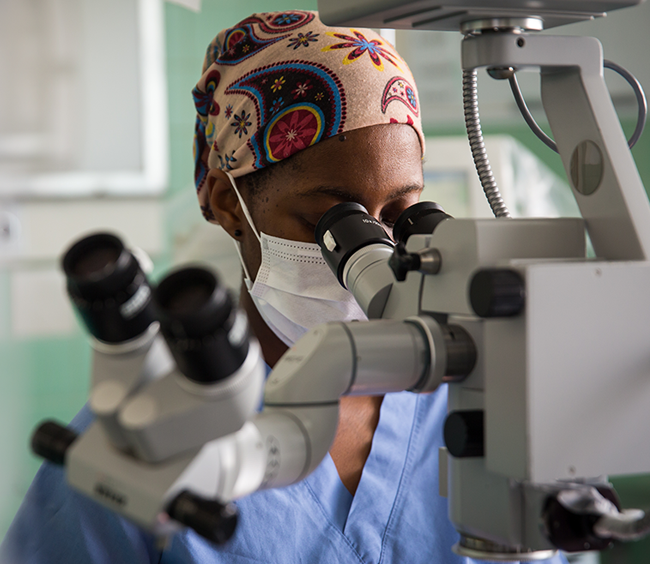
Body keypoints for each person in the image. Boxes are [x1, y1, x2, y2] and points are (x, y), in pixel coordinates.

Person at [1, 11, 566, 564]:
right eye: (335, 220)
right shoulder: (145, 434)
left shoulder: (484, 398)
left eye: (400, 213)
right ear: (230, 203)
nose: (373, 255)